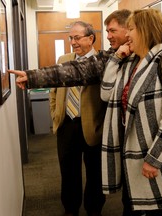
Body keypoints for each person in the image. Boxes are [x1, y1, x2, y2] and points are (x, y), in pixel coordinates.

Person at [9, 8, 162, 216]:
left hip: (157, 155)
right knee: (133, 204)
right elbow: (93, 83)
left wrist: (155, 157)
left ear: (143, 30)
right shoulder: (127, 60)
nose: (109, 36)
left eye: (122, 30)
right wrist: (32, 77)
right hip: (131, 153)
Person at [49, 21, 106, 216]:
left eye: (77, 37)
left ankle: (94, 209)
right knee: (68, 171)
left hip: (93, 127)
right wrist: (55, 114)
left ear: (90, 38)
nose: (73, 42)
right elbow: (54, 91)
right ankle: (70, 209)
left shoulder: (103, 62)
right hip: (67, 124)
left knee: (95, 173)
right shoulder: (64, 59)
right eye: (70, 38)